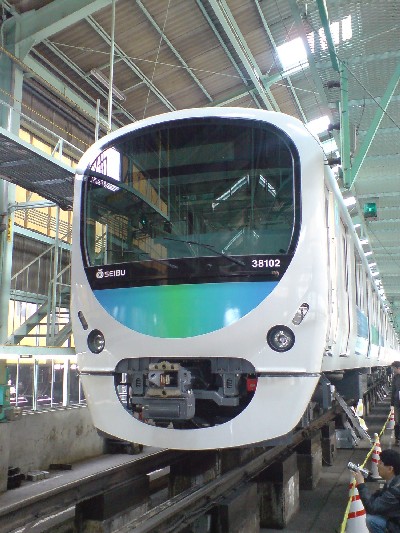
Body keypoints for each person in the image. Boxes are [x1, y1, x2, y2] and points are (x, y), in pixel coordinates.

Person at [354, 448, 400, 533]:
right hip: (395, 519)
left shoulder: (396, 489)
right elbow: (378, 498)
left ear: (390, 469)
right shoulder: (393, 481)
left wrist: (361, 484)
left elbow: (371, 507)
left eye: (380, 463)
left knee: (371, 520)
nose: (377, 465)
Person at [391, 361, 400, 446]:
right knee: (397, 422)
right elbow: (393, 391)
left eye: (394, 368)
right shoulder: (395, 378)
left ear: (398, 368)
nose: (393, 370)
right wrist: (392, 404)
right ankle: (397, 438)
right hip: (397, 403)